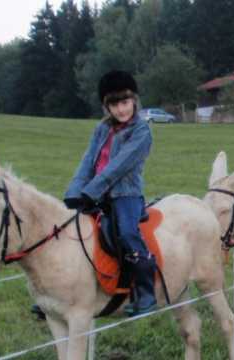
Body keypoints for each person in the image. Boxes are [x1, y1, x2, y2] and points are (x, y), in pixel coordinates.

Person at [64, 69, 156, 316]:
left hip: (126, 195)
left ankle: (146, 290)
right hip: (96, 194)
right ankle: (66, 291)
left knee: (126, 233)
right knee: (71, 230)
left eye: (125, 102)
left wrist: (91, 191)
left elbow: (118, 168)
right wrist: (74, 192)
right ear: (107, 107)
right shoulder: (102, 129)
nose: (121, 110)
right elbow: (88, 162)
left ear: (134, 100)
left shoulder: (141, 131)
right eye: (114, 105)